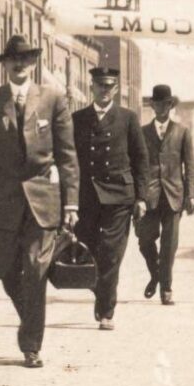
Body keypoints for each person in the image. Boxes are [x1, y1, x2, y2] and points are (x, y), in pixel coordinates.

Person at [0, 35, 79, 369]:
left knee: (35, 269)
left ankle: (31, 344)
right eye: (13, 60)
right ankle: (31, 319)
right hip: (0, 199)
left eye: (26, 59)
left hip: (42, 200)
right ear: (4, 64)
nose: (19, 64)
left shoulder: (53, 99)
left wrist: (71, 204)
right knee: (4, 270)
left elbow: (68, 155)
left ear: (34, 63)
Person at [73, 66, 149, 330]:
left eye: (109, 86)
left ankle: (106, 311)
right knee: (90, 249)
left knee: (111, 252)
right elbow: (70, 162)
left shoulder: (128, 118)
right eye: (100, 86)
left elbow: (141, 159)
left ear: (116, 89)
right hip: (87, 197)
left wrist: (141, 198)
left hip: (119, 196)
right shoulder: (77, 118)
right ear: (91, 87)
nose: (104, 91)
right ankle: (100, 291)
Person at [136, 84, 194, 306]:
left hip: (173, 195)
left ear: (171, 106)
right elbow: (138, 165)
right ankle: (156, 275)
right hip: (150, 194)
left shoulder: (182, 132)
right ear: (152, 105)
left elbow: (190, 164)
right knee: (144, 241)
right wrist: (138, 196)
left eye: (166, 104)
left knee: (169, 245)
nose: (161, 108)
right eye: (157, 104)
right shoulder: (142, 132)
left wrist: (191, 194)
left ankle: (166, 289)